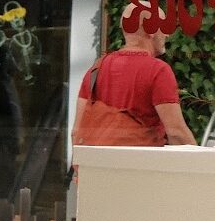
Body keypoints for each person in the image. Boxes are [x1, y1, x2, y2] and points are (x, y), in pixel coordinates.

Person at [74, 14, 196, 148]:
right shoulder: (158, 70)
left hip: (95, 164)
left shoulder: (96, 69)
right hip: (138, 165)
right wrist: (200, 165)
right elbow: (176, 133)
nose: (167, 34)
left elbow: (76, 131)